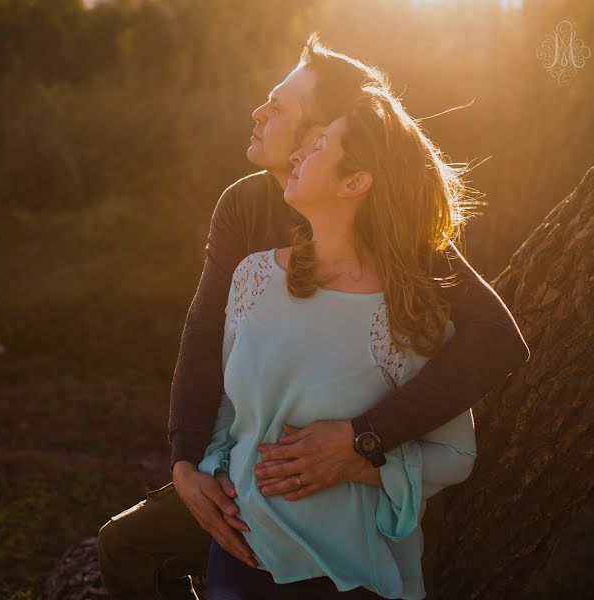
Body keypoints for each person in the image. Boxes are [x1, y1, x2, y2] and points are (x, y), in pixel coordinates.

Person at [97, 34, 530, 600]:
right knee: (127, 546)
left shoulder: (393, 235)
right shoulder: (245, 208)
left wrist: (363, 441)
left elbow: (497, 339)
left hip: (360, 490)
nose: (258, 112)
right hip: (255, 476)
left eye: (278, 107)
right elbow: (206, 335)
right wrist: (186, 465)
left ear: (323, 137)